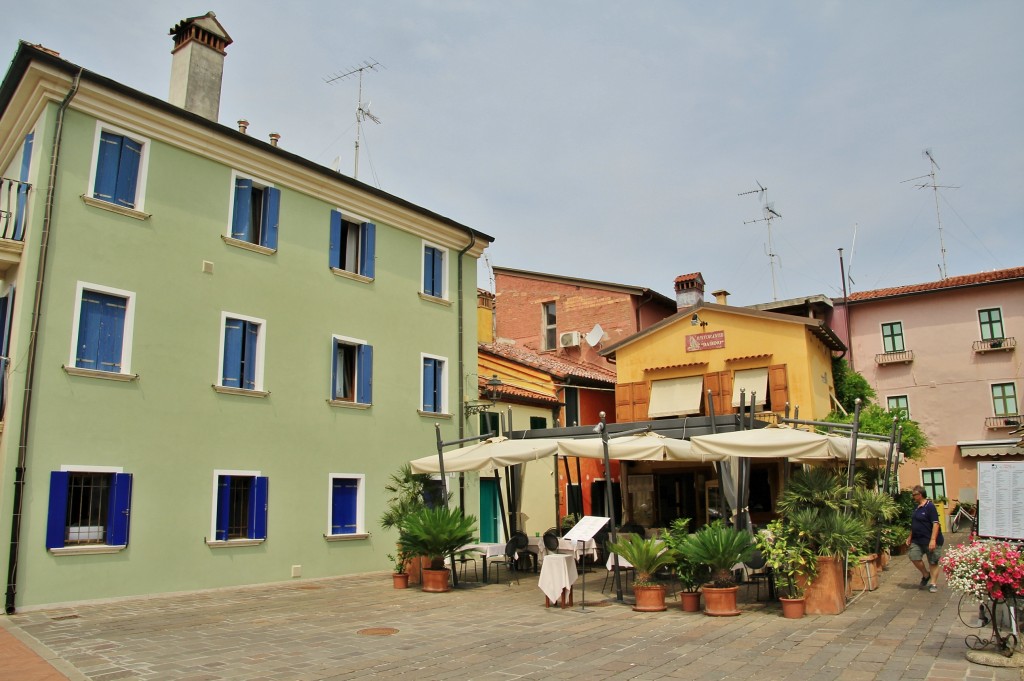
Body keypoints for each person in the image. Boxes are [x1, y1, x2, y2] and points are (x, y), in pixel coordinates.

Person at [906, 485, 944, 592]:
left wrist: (933, 540)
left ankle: (933, 583)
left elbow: (936, 524)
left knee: (933, 561)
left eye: (914, 495)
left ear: (920, 494)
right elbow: (915, 523)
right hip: (917, 540)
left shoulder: (930, 506)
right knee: (913, 556)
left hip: (930, 539)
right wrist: (910, 536)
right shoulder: (917, 507)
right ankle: (926, 574)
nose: (913, 497)